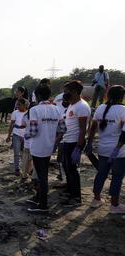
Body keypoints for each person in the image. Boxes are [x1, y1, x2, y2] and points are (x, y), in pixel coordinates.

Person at [26, 85, 67, 213]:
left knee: (42, 176)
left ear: (37, 96)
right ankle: (38, 197)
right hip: (49, 146)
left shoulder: (35, 110)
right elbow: (63, 129)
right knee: (41, 174)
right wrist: (55, 141)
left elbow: (33, 132)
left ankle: (43, 204)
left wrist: (24, 136)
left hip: (38, 147)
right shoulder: (57, 109)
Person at [86, 85, 125, 214]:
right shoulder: (123, 110)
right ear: (122, 96)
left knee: (101, 174)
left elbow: (92, 128)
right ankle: (114, 205)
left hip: (103, 148)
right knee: (117, 177)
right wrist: (117, 148)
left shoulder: (101, 108)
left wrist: (89, 144)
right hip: (118, 152)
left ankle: (96, 199)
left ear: (107, 95)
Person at [61, 80, 91, 207]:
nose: (64, 94)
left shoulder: (82, 106)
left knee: (73, 170)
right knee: (67, 168)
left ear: (74, 92)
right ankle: (70, 191)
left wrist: (78, 147)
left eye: (66, 92)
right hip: (67, 140)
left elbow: (83, 129)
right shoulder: (72, 104)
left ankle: (76, 198)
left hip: (74, 142)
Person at [6, 98, 28, 176]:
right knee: (16, 153)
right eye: (16, 104)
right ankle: (17, 169)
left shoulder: (29, 113)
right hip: (16, 135)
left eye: (19, 104)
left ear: (25, 105)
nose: (17, 106)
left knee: (25, 153)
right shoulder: (15, 113)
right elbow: (11, 124)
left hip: (26, 136)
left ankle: (25, 169)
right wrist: (9, 136)